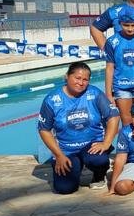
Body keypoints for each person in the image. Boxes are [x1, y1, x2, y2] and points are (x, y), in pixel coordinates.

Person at [38, 61, 120, 194]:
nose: (81, 83)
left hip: (92, 146)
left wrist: (106, 143)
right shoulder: (52, 99)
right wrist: (58, 155)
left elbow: (113, 117)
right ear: (67, 76)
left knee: (98, 160)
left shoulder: (94, 93)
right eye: (77, 78)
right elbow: (44, 129)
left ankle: (99, 175)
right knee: (65, 189)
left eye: (85, 80)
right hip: (66, 150)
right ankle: (77, 165)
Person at [103, 9, 134, 126]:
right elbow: (109, 67)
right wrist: (108, 94)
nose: (130, 29)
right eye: (126, 25)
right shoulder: (112, 41)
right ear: (120, 23)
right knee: (127, 122)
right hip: (121, 86)